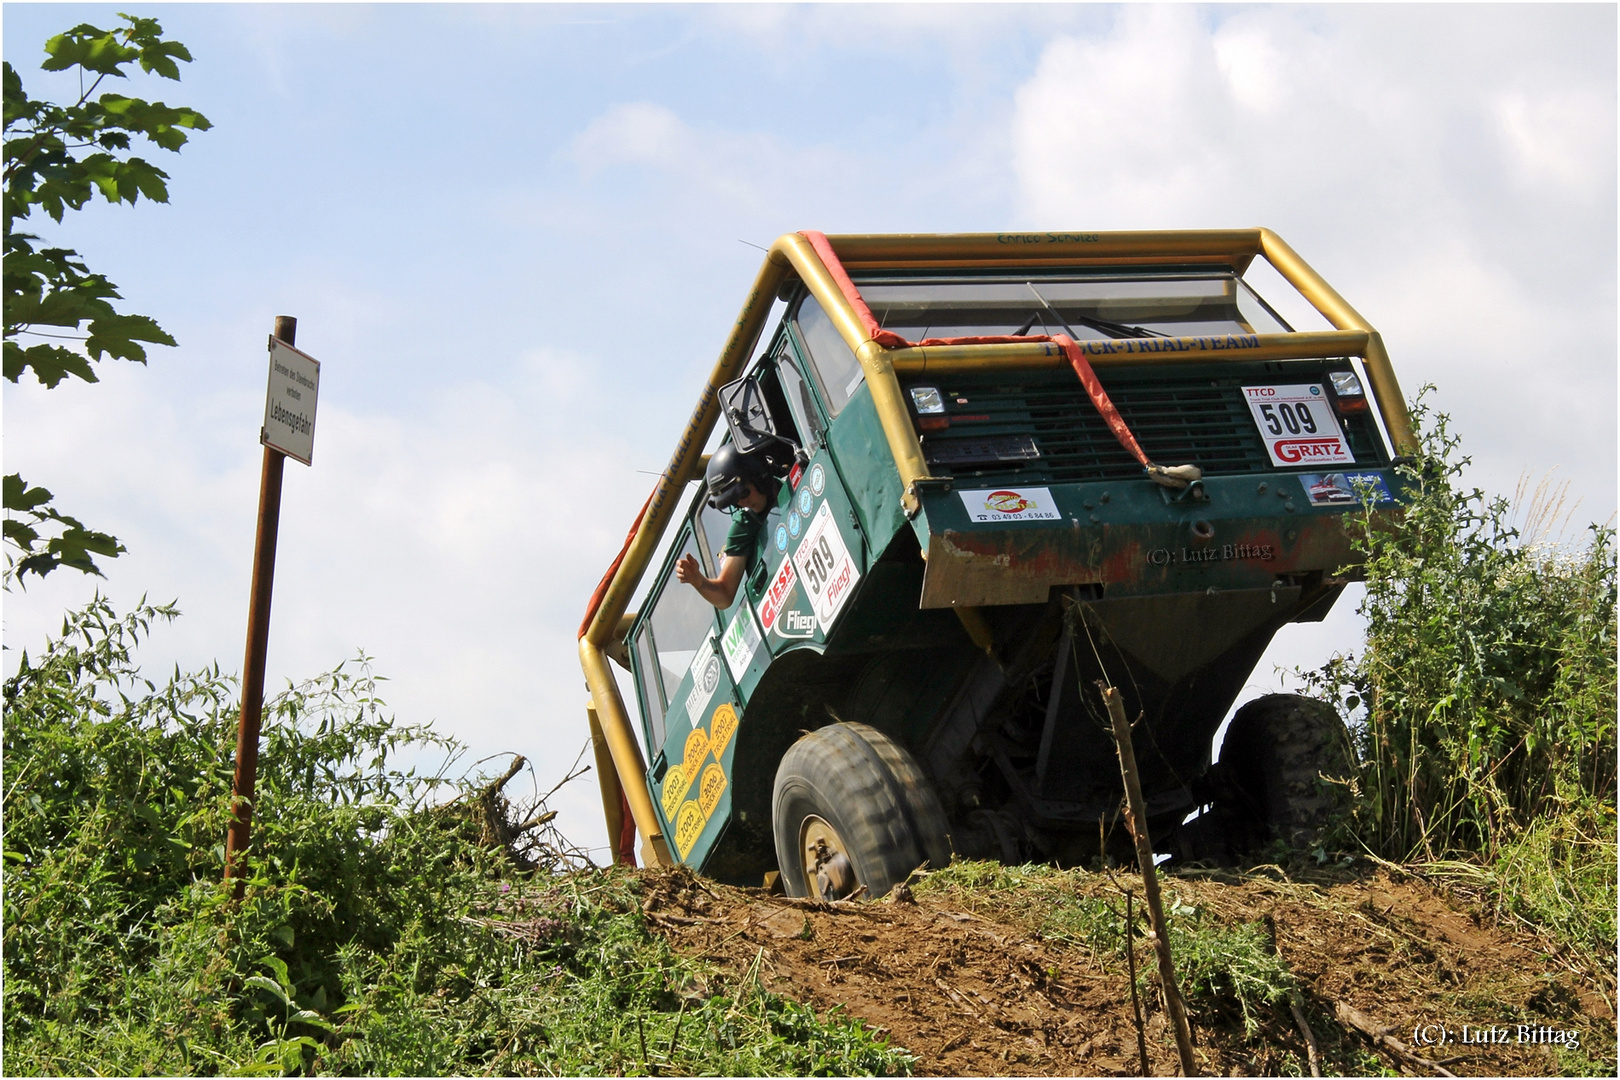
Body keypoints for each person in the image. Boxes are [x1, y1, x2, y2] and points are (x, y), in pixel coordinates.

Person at [677, 443, 777, 609]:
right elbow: (724, 595)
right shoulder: (744, 525)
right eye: (735, 500)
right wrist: (697, 580)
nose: (743, 502)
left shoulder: (795, 476)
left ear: (760, 476)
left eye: (744, 493)